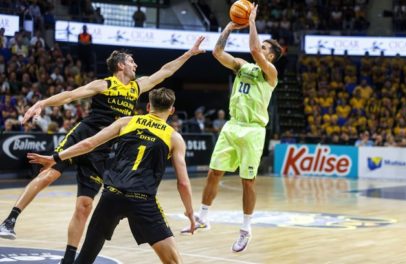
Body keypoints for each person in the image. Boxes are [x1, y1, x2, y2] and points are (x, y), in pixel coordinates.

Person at [0, 36, 205, 264]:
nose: (135, 65)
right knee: (50, 172)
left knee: (85, 207)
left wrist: (189, 53)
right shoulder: (104, 84)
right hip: (85, 135)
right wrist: (42, 103)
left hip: (103, 149)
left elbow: (165, 71)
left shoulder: (137, 87)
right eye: (131, 61)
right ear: (121, 65)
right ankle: (10, 219)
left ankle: (68, 260)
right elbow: (70, 95)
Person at [28, 88, 195, 264]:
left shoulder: (126, 122)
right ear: (172, 110)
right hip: (142, 200)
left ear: (148, 106)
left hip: (111, 196)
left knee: (84, 259)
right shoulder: (174, 138)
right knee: (174, 262)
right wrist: (190, 213)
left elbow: (89, 143)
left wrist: (56, 157)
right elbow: (183, 183)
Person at [181, 4, 282, 253]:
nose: (262, 49)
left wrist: (252, 23)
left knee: (248, 181)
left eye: (266, 48)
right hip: (232, 125)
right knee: (214, 172)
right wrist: (228, 27)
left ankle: (246, 228)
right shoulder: (241, 66)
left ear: (270, 56)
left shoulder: (270, 72)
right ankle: (203, 216)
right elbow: (217, 52)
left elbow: (254, 49)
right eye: (264, 46)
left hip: (253, 130)